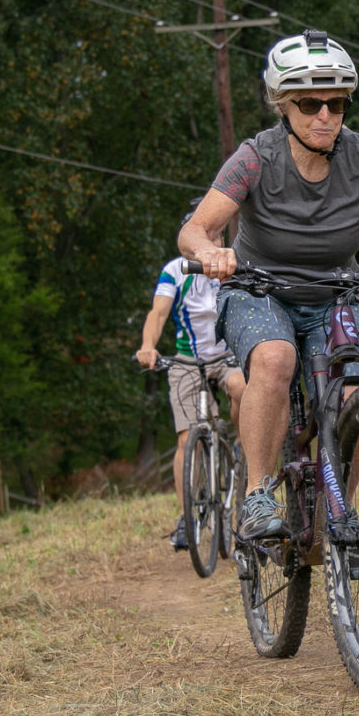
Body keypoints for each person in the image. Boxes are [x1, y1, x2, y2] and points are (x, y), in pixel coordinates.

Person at [179, 30, 359, 541]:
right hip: (259, 290)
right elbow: (195, 228)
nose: (325, 115)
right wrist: (209, 252)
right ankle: (256, 496)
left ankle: (336, 515)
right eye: (310, 102)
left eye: (336, 102)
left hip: (335, 294)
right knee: (275, 359)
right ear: (283, 106)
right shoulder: (255, 158)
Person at [136, 221, 247, 549]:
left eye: (217, 235)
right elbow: (158, 314)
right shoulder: (176, 271)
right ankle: (187, 518)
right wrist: (148, 346)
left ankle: (241, 443)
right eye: (205, 236)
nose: (212, 242)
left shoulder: (235, 264)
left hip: (228, 356)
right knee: (187, 439)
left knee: (242, 386)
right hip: (187, 360)